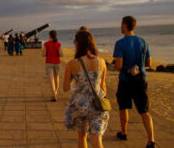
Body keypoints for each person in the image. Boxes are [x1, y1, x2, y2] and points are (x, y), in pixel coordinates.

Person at [113, 16, 155, 148]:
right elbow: (149, 63)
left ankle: (124, 132)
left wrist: (116, 66)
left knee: (123, 107)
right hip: (141, 80)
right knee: (144, 110)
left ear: (125, 25)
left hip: (126, 80)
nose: (120, 26)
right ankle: (151, 140)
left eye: (121, 24)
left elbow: (119, 66)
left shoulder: (120, 43)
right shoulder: (143, 41)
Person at [63, 31, 109, 148]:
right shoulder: (101, 62)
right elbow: (103, 85)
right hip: (97, 103)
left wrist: (76, 81)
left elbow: (65, 88)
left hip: (80, 104)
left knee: (82, 136)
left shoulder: (72, 64)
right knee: (97, 139)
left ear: (77, 44)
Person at [42, 30, 63, 102]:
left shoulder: (46, 44)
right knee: (56, 77)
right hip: (57, 62)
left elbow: (43, 54)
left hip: (49, 62)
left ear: (49, 35)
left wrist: (48, 53)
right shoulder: (58, 44)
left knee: (51, 80)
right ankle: (55, 92)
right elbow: (61, 54)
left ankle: (54, 95)